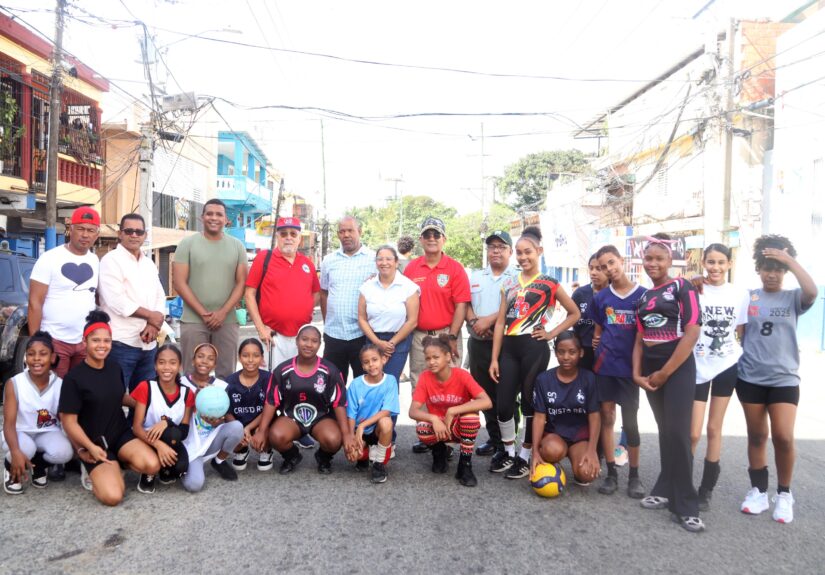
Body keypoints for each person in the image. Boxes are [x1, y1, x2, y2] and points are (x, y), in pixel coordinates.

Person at [489, 226, 580, 479]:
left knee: (530, 405)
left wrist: (551, 334)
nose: (523, 257)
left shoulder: (550, 283)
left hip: (534, 349)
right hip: (509, 348)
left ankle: (525, 455)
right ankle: (508, 451)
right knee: (504, 404)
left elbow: (574, 312)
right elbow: (499, 323)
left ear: (538, 251)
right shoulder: (508, 283)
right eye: (518, 253)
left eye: (527, 252)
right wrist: (494, 358)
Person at [736, 235, 816, 524]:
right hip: (750, 377)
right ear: (758, 269)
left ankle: (784, 494)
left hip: (784, 378)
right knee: (757, 435)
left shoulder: (794, 297)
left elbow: (812, 290)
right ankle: (758, 491)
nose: (772, 274)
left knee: (783, 436)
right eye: (767, 268)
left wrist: (790, 261)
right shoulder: (749, 297)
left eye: (778, 269)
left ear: (785, 271)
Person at [632, 234, 704, 533]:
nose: (653, 264)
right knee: (666, 432)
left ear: (670, 261)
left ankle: (686, 504)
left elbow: (691, 332)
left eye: (659, 258)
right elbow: (638, 340)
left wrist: (665, 372)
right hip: (650, 369)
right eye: (649, 258)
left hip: (677, 367)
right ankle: (663, 489)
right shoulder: (643, 298)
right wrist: (637, 374)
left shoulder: (682, 287)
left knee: (678, 433)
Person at [58, 311, 161, 506]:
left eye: (107, 340)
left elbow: (118, 396)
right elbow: (68, 421)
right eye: (96, 340)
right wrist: (87, 448)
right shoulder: (74, 378)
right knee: (113, 497)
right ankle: (92, 468)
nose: (102, 345)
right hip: (95, 442)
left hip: (119, 433)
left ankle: (117, 463)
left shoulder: (114, 367)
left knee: (152, 465)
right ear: (84, 341)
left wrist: (145, 404)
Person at [689, 243, 749, 511]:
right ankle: (682, 482)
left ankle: (706, 490)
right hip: (698, 365)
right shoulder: (693, 290)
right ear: (703, 262)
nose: (715, 267)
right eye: (710, 262)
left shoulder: (739, 294)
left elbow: (742, 330)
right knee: (692, 432)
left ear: (729, 264)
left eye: (721, 262)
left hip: (726, 364)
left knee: (714, 429)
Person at [404, 216, 471, 453]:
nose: (432, 239)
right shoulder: (412, 267)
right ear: (421, 239)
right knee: (420, 385)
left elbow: (461, 304)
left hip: (447, 334)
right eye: (427, 235)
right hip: (420, 336)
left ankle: (450, 436)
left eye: (436, 235)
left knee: (450, 387)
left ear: (444, 239)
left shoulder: (455, 268)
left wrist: (451, 337)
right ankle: (430, 435)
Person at [251, 325, 355, 475]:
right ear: (297, 341)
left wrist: (346, 434)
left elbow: (339, 403)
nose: (308, 344)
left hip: (321, 418)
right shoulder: (282, 370)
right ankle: (291, 456)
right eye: (304, 339)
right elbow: (271, 401)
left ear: (320, 345)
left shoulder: (330, 370)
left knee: (333, 439)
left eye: (314, 341)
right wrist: (261, 430)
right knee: (276, 435)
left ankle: (323, 457)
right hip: (292, 418)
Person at [592, 244, 646, 498]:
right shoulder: (601, 298)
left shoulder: (643, 296)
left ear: (622, 261)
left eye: (611, 263)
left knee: (631, 422)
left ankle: (634, 476)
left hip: (630, 370)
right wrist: (597, 342)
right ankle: (611, 473)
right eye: (603, 266)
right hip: (605, 367)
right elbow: (599, 330)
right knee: (607, 417)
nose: (608, 269)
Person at [173, 199, 247, 379]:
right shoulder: (187, 244)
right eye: (210, 214)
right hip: (193, 319)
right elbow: (179, 282)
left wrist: (222, 313)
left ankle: (222, 408)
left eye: (219, 214)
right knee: (192, 372)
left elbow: (242, 283)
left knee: (227, 373)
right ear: (202, 217)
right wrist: (204, 314)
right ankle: (191, 407)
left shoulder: (237, 246)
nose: (214, 218)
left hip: (227, 320)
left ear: (226, 220)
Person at [409, 334, 492, 487]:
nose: (431, 362)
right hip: (439, 427)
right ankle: (439, 452)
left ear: (448, 356)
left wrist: (452, 411)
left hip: (458, 426)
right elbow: (413, 411)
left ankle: (465, 465)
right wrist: (433, 419)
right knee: (422, 428)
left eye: (436, 357)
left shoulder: (462, 375)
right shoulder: (425, 377)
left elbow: (487, 402)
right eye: (428, 358)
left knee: (471, 418)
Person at [28, 206, 100, 378]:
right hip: (54, 340)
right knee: (52, 395)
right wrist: (36, 342)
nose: (85, 235)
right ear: (71, 229)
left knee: (79, 395)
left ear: (96, 234)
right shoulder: (50, 258)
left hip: (84, 342)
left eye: (90, 230)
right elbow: (34, 302)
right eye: (81, 229)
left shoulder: (95, 260)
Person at [466, 230, 518, 468]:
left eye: (501, 246)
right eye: (492, 246)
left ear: (510, 251)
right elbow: (465, 304)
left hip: (507, 344)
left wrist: (489, 321)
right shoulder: (475, 276)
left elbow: (516, 306)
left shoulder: (518, 277)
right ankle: (496, 441)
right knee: (483, 395)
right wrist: (477, 323)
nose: (496, 250)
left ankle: (510, 445)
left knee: (506, 397)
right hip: (478, 343)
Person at [98, 213, 167, 391]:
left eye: (139, 231)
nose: (134, 235)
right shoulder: (110, 261)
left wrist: (154, 323)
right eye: (129, 231)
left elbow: (160, 295)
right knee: (114, 396)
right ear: (120, 234)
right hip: (121, 343)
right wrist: (151, 316)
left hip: (148, 343)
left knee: (144, 400)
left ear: (144, 235)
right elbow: (117, 301)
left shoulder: (148, 263)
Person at [3, 331, 73, 495]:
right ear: (25, 357)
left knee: (64, 452)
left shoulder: (60, 384)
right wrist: (15, 452)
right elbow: (8, 423)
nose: (36, 359)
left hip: (47, 431)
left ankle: (38, 466)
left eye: (43, 354)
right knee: (25, 449)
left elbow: (65, 419)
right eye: (31, 354)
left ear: (53, 357)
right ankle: (10, 467)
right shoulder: (15, 383)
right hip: (19, 431)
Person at [245, 217, 320, 367]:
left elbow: (316, 293)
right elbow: (249, 295)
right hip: (273, 337)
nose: (288, 238)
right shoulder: (264, 258)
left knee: (299, 383)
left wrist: (303, 311)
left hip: (301, 339)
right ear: (277, 237)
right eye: (283, 234)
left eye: (293, 234)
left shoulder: (307, 264)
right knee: (273, 384)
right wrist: (261, 329)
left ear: (299, 238)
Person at [531, 332, 600, 486]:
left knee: (587, 474)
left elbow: (595, 416)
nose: (566, 357)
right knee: (551, 450)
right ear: (555, 353)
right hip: (554, 436)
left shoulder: (589, 378)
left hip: (579, 437)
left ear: (581, 353)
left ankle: (576, 459)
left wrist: (592, 449)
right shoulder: (544, 379)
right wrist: (535, 451)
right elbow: (539, 417)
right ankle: (552, 462)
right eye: (561, 352)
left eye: (572, 352)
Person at [178, 342, 244, 491]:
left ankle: (219, 460)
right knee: (194, 485)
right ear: (193, 360)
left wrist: (219, 423)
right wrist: (194, 400)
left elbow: (226, 415)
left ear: (214, 364)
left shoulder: (221, 386)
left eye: (210, 358)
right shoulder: (181, 383)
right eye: (200, 357)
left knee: (237, 427)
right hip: (188, 443)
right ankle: (184, 466)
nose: (204, 361)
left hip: (211, 440)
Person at [129, 344, 194, 488]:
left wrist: (167, 422)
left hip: (172, 438)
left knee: (180, 467)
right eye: (161, 362)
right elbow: (137, 428)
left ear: (180, 366)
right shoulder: (146, 387)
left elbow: (183, 432)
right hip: (145, 439)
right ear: (155, 366)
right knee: (171, 434)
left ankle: (165, 470)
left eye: (172, 363)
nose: (166, 367)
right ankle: (149, 471)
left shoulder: (187, 393)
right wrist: (158, 445)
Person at [320, 216, 376, 381]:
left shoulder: (374, 259)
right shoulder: (328, 260)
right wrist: (327, 321)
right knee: (333, 385)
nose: (346, 235)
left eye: (350, 230)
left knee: (365, 383)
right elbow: (324, 292)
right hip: (334, 335)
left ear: (359, 231)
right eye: (342, 231)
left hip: (362, 335)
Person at [357, 245, 419, 383]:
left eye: (389, 259)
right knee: (372, 380)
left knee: (390, 382)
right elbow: (362, 318)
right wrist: (377, 342)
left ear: (396, 262)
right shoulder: (367, 287)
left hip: (398, 341)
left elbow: (412, 321)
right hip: (373, 340)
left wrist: (390, 344)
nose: (384, 263)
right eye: (380, 259)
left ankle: (389, 406)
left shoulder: (408, 287)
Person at [345, 344, 400, 483]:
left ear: (384, 359)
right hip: (360, 432)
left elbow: (387, 410)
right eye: (366, 362)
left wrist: (363, 425)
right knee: (353, 455)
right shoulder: (356, 384)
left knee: (387, 421)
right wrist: (351, 436)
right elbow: (351, 414)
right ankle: (364, 456)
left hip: (377, 430)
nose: (371, 365)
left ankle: (379, 464)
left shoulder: (390, 381)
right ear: (362, 366)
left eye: (374, 360)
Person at [225, 339, 272, 472]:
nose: (250, 360)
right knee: (232, 435)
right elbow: (227, 412)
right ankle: (242, 450)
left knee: (262, 429)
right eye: (245, 355)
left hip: (260, 424)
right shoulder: (229, 381)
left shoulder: (269, 379)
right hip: (239, 424)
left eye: (256, 355)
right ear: (239, 357)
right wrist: (239, 430)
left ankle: (266, 451)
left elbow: (270, 408)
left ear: (262, 358)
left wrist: (250, 428)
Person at [571, 253, 609, 371]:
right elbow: (571, 320)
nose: (593, 272)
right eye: (591, 268)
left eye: (598, 268)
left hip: (606, 350)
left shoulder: (614, 294)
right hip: (582, 351)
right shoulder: (579, 293)